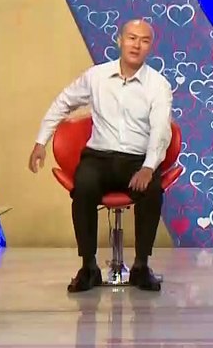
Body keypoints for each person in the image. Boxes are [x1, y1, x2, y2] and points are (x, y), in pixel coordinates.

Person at [30, 19, 173, 293]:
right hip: (99, 158)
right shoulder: (96, 77)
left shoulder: (158, 85)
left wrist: (148, 167)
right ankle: (89, 267)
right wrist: (40, 141)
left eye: (144, 40)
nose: (136, 45)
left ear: (150, 47)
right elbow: (63, 102)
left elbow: (160, 130)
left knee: (152, 190)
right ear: (120, 40)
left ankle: (141, 266)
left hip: (137, 160)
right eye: (131, 38)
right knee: (83, 186)